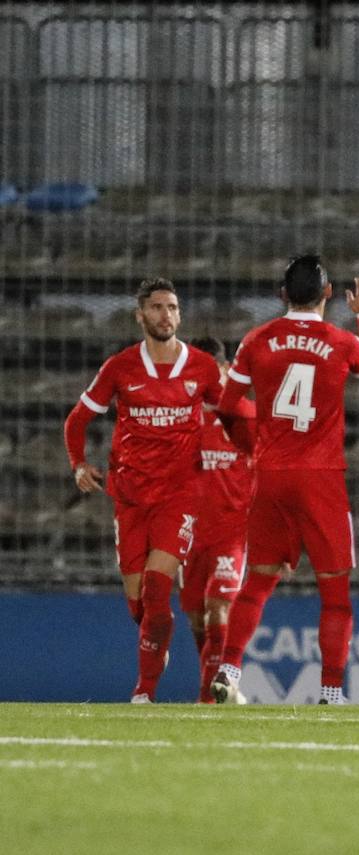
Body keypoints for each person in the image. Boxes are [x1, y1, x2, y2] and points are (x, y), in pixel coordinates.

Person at [210, 255, 359, 705]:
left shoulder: (256, 340)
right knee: (336, 592)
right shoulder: (341, 341)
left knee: (258, 581)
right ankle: (330, 691)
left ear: (281, 294)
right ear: (328, 294)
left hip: (270, 475)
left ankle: (228, 669)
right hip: (321, 478)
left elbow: (229, 406)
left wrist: (253, 448)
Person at [63, 278, 223, 702]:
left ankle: (143, 692)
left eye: (172, 307)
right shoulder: (120, 367)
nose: (165, 315)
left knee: (157, 589)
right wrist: (78, 464)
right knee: (140, 607)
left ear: (180, 314)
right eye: (156, 308)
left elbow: (233, 412)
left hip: (180, 494)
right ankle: (156, 644)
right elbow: (77, 420)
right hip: (131, 497)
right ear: (140, 315)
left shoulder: (203, 366)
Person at [183, 337, 256, 704]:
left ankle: (208, 698)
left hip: (233, 530)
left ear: (227, 371)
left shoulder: (246, 415)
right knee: (198, 617)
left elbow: (268, 472)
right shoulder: (185, 420)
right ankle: (223, 688)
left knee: (218, 606)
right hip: (190, 532)